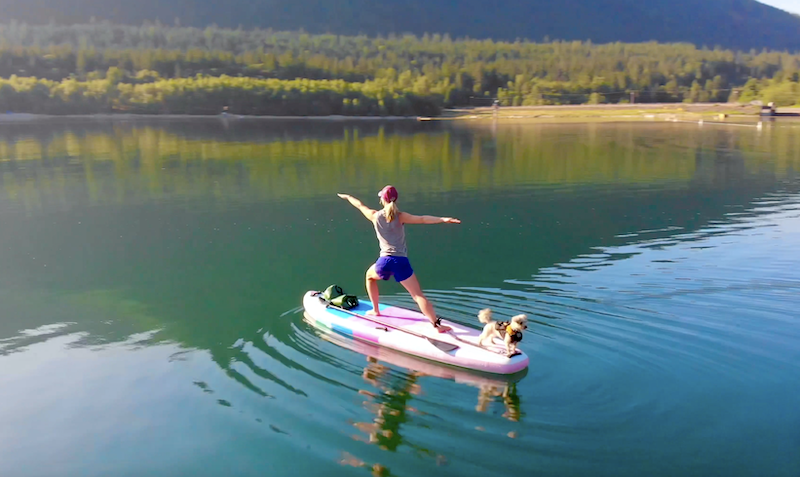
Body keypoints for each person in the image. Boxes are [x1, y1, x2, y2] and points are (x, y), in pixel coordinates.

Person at [337, 185, 460, 333]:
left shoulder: (374, 215)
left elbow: (359, 205)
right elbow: (422, 219)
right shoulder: (401, 216)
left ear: (382, 199)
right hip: (401, 262)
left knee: (369, 277)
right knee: (417, 295)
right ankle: (436, 325)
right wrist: (443, 219)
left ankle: (375, 310)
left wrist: (347, 197)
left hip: (384, 262)